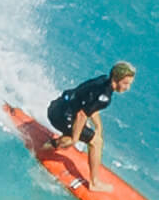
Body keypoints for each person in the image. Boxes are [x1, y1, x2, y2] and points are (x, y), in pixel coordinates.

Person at [46, 62, 135, 192]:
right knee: (95, 142)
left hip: (57, 107)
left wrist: (99, 128)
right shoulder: (105, 97)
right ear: (116, 79)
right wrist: (75, 138)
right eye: (126, 83)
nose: (128, 88)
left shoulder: (103, 80)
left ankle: (48, 145)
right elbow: (82, 115)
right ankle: (94, 183)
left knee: (88, 134)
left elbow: (90, 107)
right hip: (62, 117)